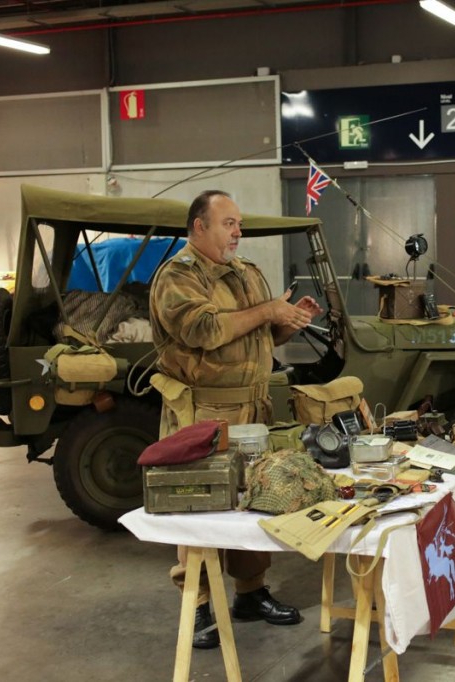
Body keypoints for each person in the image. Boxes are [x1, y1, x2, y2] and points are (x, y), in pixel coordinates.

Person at [149, 190, 323, 649]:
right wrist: (268, 309)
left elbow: (262, 334)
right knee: (198, 505)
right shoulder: (178, 277)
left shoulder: (246, 274)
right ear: (199, 227)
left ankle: (250, 592)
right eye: (228, 223)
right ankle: (200, 606)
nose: (237, 233)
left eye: (239, 224)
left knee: (254, 502)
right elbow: (202, 330)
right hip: (203, 412)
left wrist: (289, 320)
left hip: (252, 407)